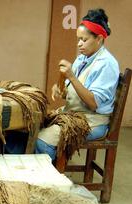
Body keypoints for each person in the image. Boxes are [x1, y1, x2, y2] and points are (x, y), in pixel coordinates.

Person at [36, 8, 120, 161]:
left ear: (99, 39)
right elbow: (73, 91)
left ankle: (49, 181)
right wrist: (62, 91)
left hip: (92, 121)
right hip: (74, 114)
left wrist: (72, 77)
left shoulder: (107, 64)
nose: (79, 44)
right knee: (32, 128)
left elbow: (93, 103)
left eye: (84, 40)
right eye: (78, 39)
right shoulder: (82, 58)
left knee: (42, 142)